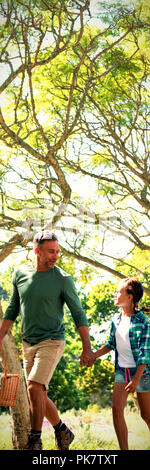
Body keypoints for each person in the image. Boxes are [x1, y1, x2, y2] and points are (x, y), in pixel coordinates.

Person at [0, 230, 95, 450]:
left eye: (58, 252)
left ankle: (35, 439)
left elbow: (78, 313)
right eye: (51, 251)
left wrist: (87, 348)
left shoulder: (63, 279)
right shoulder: (20, 274)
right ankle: (62, 430)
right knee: (38, 393)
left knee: (34, 387)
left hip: (52, 341)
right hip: (28, 343)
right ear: (37, 251)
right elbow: (13, 309)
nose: (55, 256)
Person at [93, 278, 150, 450]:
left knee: (147, 415)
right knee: (117, 410)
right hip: (122, 370)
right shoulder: (115, 320)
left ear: (130, 296)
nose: (115, 294)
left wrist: (136, 380)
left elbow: (145, 355)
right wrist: (93, 355)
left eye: (119, 291)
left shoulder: (143, 321)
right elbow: (111, 344)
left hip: (142, 372)